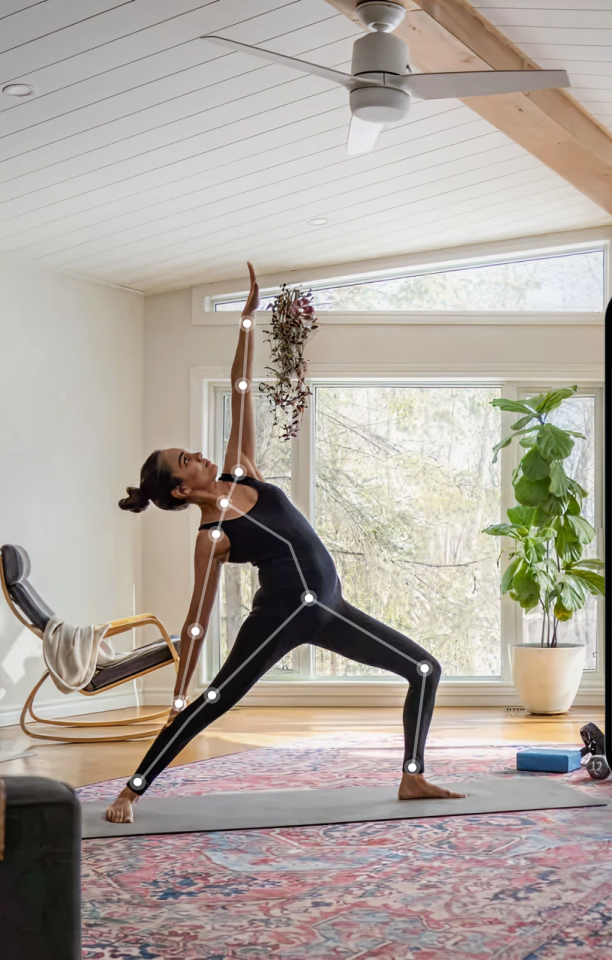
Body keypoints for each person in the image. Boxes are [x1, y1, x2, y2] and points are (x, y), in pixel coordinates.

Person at [106, 262, 462, 823]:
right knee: (214, 701)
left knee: (423, 668)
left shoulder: (242, 470)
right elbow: (197, 621)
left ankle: (412, 777)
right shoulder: (212, 536)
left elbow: (240, 391)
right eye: (185, 460)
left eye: (190, 450)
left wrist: (247, 322)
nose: (197, 454)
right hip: (279, 618)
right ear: (179, 489)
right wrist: (179, 690)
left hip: (330, 609)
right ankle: (132, 789)